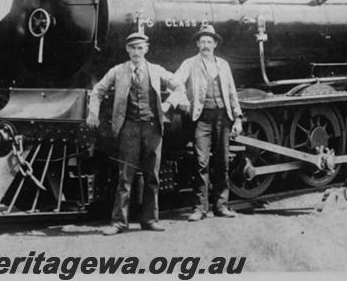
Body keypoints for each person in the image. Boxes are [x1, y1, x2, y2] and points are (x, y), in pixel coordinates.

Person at [86, 32, 187, 235]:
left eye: (140, 48)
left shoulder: (156, 70)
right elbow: (97, 91)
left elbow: (179, 85)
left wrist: (169, 103)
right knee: (125, 177)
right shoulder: (118, 71)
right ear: (127, 50)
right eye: (132, 48)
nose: (136, 52)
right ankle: (118, 223)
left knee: (153, 176)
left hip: (152, 128)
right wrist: (93, 112)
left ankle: (150, 220)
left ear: (146, 50)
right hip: (128, 128)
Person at [174, 24, 244, 221]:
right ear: (198, 44)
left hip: (223, 118)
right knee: (200, 163)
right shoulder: (189, 63)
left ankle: (221, 206)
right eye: (202, 41)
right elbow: (175, 80)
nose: (205, 45)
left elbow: (231, 92)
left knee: (223, 162)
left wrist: (237, 118)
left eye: (209, 41)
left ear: (215, 44)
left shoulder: (223, 64)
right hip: (202, 119)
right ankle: (200, 209)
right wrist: (181, 98)